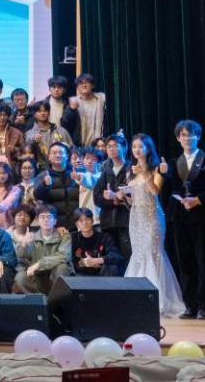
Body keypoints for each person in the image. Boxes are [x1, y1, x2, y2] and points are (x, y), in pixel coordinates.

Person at [123, 132, 188, 317]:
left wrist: (143, 173)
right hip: (136, 217)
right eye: (134, 146)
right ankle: (137, 300)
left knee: (153, 253)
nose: (137, 150)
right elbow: (132, 200)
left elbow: (155, 191)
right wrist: (122, 196)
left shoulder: (156, 168)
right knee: (138, 254)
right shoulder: (130, 171)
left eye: (140, 146)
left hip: (153, 217)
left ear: (148, 148)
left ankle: (156, 301)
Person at [13, 205, 72, 295]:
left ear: (55, 221)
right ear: (38, 221)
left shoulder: (64, 235)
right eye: (42, 217)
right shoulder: (31, 236)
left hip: (55, 274)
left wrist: (39, 264)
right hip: (37, 276)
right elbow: (21, 258)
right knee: (20, 277)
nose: (46, 220)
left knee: (62, 268)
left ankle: (57, 300)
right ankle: (38, 300)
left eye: (49, 217)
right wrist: (24, 244)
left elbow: (64, 255)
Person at [93, 133, 134, 263]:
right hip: (108, 223)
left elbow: (136, 195)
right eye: (109, 146)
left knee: (128, 257)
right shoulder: (106, 171)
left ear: (124, 148)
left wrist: (115, 197)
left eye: (115, 146)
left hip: (126, 221)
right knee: (111, 259)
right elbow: (96, 198)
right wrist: (112, 200)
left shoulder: (131, 169)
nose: (111, 149)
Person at [71, 209, 123, 277]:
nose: (85, 223)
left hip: (102, 275)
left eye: (87, 219)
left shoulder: (104, 237)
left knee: (112, 267)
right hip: (80, 275)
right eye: (81, 221)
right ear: (77, 224)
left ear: (92, 221)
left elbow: (117, 256)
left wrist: (97, 260)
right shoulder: (72, 238)